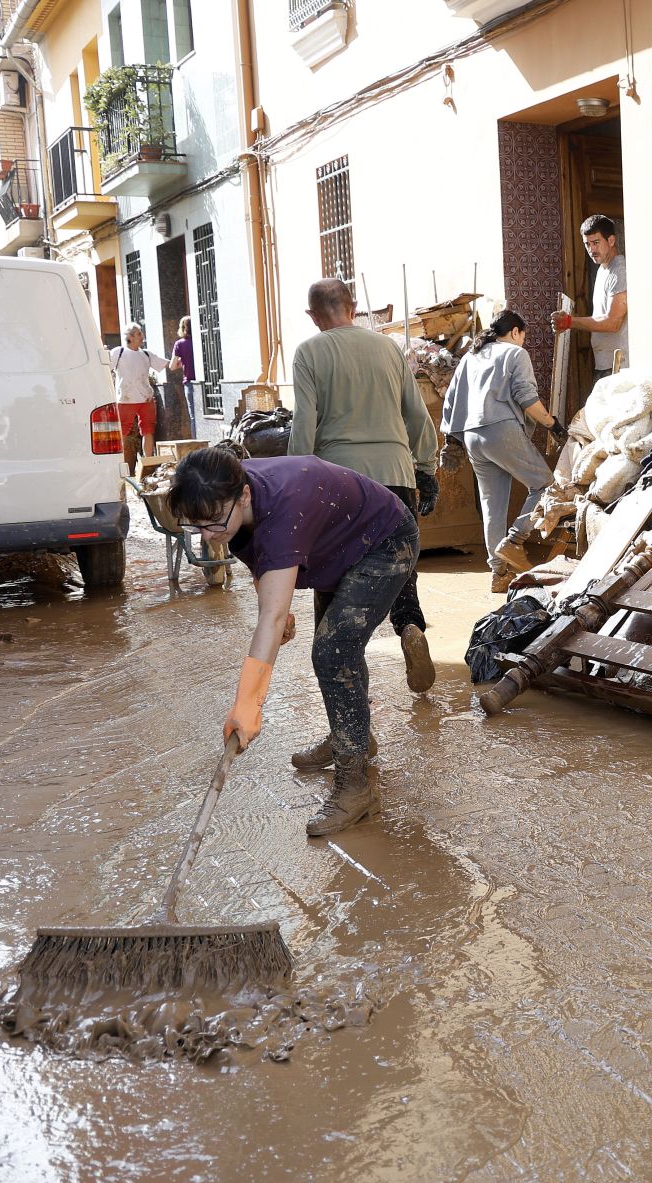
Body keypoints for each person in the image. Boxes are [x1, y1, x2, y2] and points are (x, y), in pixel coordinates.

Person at [167, 447, 418, 836]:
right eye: (196, 526)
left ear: (244, 496)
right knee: (340, 651)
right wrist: (275, 605)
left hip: (383, 541)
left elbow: (268, 617)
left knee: (334, 652)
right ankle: (352, 736)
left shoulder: (281, 510)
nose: (207, 535)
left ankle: (356, 787)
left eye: (213, 524)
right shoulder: (227, 490)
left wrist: (248, 704)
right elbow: (258, 558)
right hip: (336, 542)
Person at [288, 278, 440, 694]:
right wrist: (425, 467)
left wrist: (296, 480)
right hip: (396, 478)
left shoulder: (309, 352)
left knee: (334, 593)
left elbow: (304, 424)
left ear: (312, 316)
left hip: (341, 487)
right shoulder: (389, 347)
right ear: (353, 308)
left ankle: (349, 715)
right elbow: (416, 414)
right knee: (401, 576)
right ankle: (410, 629)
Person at [441, 310, 559, 593]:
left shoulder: (471, 357)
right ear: (516, 332)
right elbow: (527, 398)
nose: (523, 342)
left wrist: (452, 440)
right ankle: (515, 541)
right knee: (545, 486)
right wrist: (553, 424)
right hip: (500, 430)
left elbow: (451, 400)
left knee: (492, 505)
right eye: (523, 337)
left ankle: (499, 573)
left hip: (471, 436)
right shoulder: (515, 354)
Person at [551, 214, 628, 376]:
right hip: (605, 364)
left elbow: (613, 322)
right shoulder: (602, 269)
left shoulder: (620, 271)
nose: (591, 249)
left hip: (620, 366)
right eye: (587, 244)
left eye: (596, 243)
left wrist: (570, 322)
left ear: (611, 241)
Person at [111, 323, 169, 475]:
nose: (142, 336)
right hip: (125, 399)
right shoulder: (119, 352)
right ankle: (120, 467)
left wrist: (180, 357)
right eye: (138, 334)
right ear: (130, 337)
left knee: (148, 431)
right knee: (122, 433)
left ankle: (148, 465)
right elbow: (104, 367)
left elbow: (167, 364)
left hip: (146, 399)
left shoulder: (146, 354)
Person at [172, 316, 198, 427]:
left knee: (193, 417)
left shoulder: (179, 344)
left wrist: (182, 362)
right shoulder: (199, 341)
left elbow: (172, 366)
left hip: (189, 382)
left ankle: (196, 442)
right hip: (204, 383)